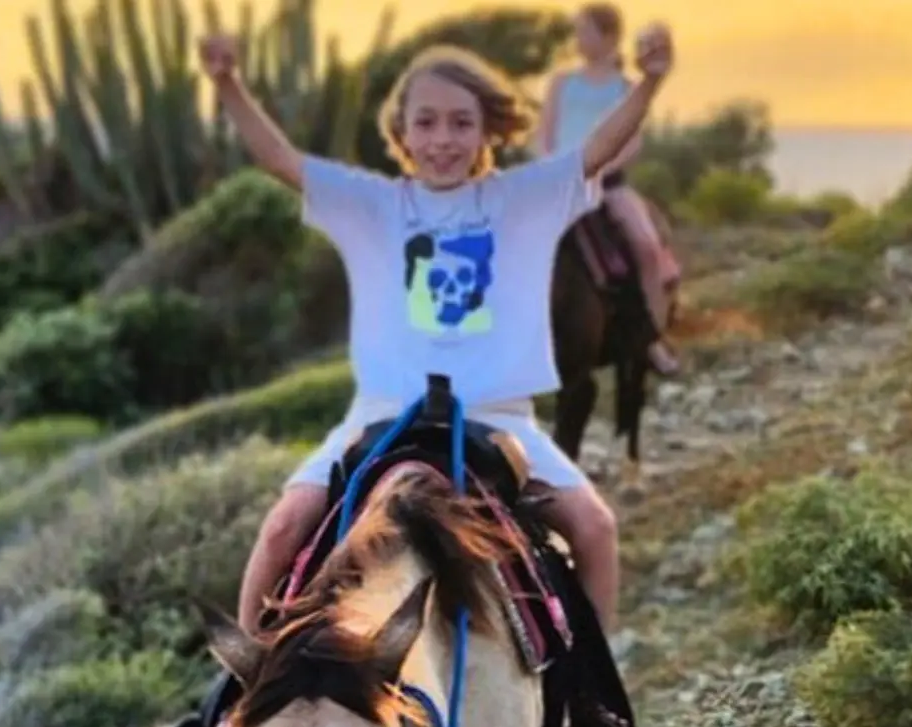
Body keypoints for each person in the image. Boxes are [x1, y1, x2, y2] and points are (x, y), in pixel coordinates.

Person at [206, 26, 671, 647]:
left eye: (460, 123)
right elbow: (279, 161)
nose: (443, 140)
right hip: (381, 417)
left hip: (499, 423)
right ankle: (247, 687)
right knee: (284, 524)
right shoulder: (372, 204)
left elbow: (596, 151)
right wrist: (227, 83)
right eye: (426, 124)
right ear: (401, 134)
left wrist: (650, 83)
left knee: (595, 529)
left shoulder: (521, 198)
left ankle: (589, 705)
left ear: (486, 130)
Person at [539, 1, 682, 377]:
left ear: (609, 37)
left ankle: (652, 338)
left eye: (585, 31)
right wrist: (551, 170)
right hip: (558, 183)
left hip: (609, 184)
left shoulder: (626, 87)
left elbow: (632, 143)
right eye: (577, 31)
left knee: (647, 246)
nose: (578, 39)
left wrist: (599, 172)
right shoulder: (561, 83)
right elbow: (545, 134)